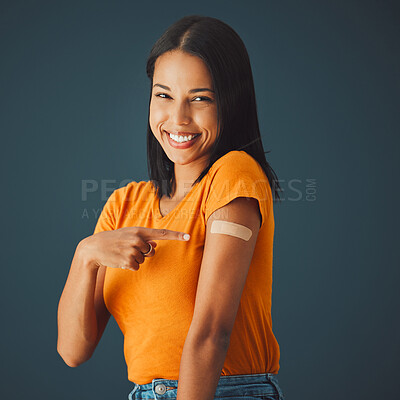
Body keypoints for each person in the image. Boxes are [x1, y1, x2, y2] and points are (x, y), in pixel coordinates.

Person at [57, 15, 285, 400]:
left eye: (200, 99)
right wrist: (86, 255)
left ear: (231, 101)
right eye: (164, 95)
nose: (178, 119)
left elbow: (212, 332)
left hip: (224, 391)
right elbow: (73, 351)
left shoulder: (234, 175)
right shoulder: (124, 205)